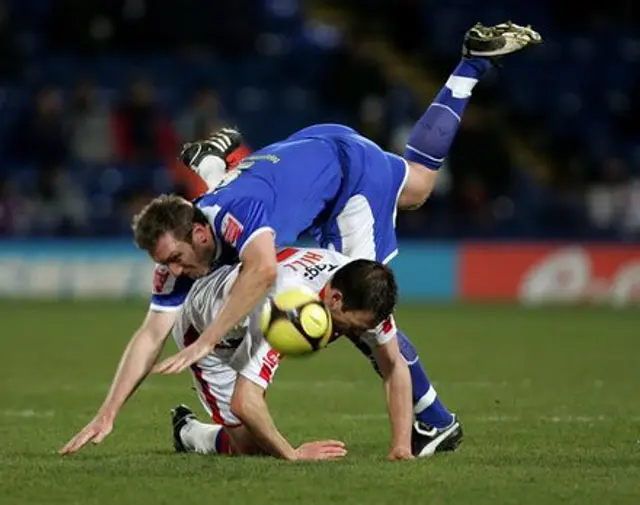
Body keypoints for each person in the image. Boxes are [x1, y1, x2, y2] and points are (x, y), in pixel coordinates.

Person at [59, 22, 540, 456]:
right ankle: (471, 64)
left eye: (180, 260)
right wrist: (109, 411)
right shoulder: (199, 226)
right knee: (417, 186)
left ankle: (433, 422)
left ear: (198, 233)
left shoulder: (236, 223)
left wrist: (206, 341)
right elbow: (150, 334)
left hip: (346, 180)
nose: (176, 272)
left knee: (356, 302)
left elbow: (263, 270)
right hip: (311, 147)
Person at [171, 248, 414, 460]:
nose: (358, 334)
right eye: (355, 327)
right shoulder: (285, 307)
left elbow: (393, 366)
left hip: (246, 309)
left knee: (258, 438)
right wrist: (293, 454)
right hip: (208, 334)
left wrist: (402, 446)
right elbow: (244, 402)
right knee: (249, 447)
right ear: (335, 298)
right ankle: (187, 432)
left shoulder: (363, 290)